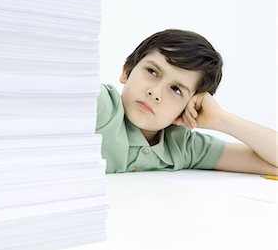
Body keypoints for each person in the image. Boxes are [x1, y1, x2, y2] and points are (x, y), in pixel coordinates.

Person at [96, 29, 277, 175]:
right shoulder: (101, 105)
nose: (155, 93)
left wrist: (221, 119)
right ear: (127, 71)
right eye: (152, 71)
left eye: (176, 89)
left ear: (191, 104)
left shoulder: (181, 146)